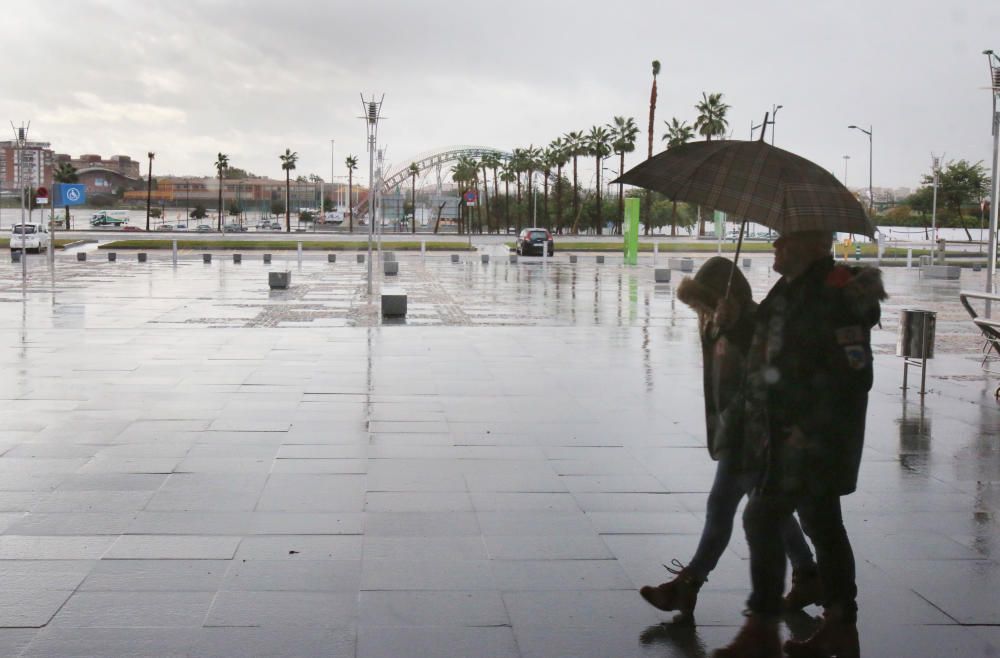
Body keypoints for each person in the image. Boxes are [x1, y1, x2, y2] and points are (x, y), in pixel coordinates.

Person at [712, 231, 886, 658]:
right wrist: (734, 322)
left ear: (811, 246)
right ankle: (840, 625)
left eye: (783, 242)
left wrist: (808, 423)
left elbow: (855, 373)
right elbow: (766, 348)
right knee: (823, 525)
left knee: (761, 518)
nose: (775, 248)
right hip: (780, 433)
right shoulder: (789, 290)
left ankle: (762, 630)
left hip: (811, 440)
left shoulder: (839, 292)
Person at [640, 257, 822, 625]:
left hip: (753, 430)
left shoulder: (753, 321)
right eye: (699, 308)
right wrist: (720, 321)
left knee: (721, 506)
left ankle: (688, 584)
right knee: (768, 507)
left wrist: (735, 323)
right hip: (739, 428)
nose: (702, 314)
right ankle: (808, 574)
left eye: (705, 304)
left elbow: (761, 357)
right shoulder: (717, 324)